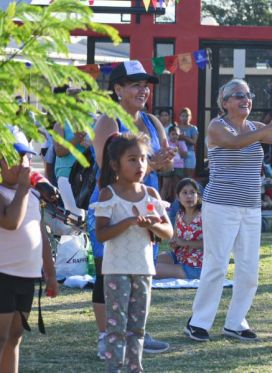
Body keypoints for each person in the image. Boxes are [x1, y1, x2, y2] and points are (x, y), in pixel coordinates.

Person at [184, 78, 272, 342]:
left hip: (251, 207)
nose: (245, 99)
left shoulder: (255, 126)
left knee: (249, 269)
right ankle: (199, 322)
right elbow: (237, 143)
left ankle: (236, 322)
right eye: (238, 95)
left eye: (248, 94)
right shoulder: (217, 126)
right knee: (216, 265)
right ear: (225, 102)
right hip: (220, 205)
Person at [89, 60, 175, 358]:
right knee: (107, 271)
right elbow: (105, 168)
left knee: (141, 270)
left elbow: (167, 162)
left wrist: (166, 160)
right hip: (111, 202)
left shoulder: (153, 120)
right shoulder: (108, 122)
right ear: (117, 89)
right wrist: (152, 163)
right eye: (136, 84)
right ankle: (106, 337)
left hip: (144, 201)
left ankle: (135, 333)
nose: (143, 90)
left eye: (146, 84)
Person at [91, 132, 173, 372]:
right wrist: (127, 222)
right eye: (132, 159)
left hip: (144, 270)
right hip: (116, 270)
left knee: (137, 329)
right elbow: (101, 234)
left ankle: (134, 368)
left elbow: (168, 232)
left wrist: (152, 225)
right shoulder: (109, 194)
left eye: (143, 159)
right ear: (116, 164)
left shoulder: (151, 195)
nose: (140, 165)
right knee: (116, 328)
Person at [0, 132, 58, 372]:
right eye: (15, 157)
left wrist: (51, 273)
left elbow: (41, 234)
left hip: (27, 277)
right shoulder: (7, 193)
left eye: (25, 157)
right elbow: (11, 221)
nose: (23, 163)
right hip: (3, 275)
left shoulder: (32, 194)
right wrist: (24, 189)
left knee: (15, 338)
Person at [155, 178, 204, 279]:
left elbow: (211, 244)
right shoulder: (179, 215)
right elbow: (176, 239)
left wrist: (184, 242)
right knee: (149, 261)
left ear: (198, 196)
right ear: (178, 197)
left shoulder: (204, 215)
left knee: (152, 269)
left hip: (196, 266)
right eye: (184, 193)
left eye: (192, 192)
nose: (189, 196)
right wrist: (174, 243)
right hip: (179, 257)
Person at [52, 86, 89, 219]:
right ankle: (74, 239)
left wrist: (89, 143)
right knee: (76, 217)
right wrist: (76, 139)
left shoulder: (92, 123)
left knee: (90, 217)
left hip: (88, 175)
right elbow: (59, 151)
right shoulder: (60, 124)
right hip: (67, 174)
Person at [160, 126, 188, 203]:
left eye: (176, 134)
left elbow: (184, 155)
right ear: (169, 135)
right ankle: (161, 203)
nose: (175, 136)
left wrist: (178, 146)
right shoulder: (166, 143)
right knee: (165, 185)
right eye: (173, 134)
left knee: (177, 185)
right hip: (168, 165)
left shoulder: (181, 143)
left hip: (179, 166)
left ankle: (176, 204)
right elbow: (162, 153)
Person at [177, 107, 199, 178]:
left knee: (189, 177)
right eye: (183, 116)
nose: (185, 118)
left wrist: (184, 137)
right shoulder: (177, 128)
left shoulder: (193, 128)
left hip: (190, 153)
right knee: (179, 177)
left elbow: (194, 142)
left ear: (190, 117)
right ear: (180, 117)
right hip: (179, 153)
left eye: (187, 116)